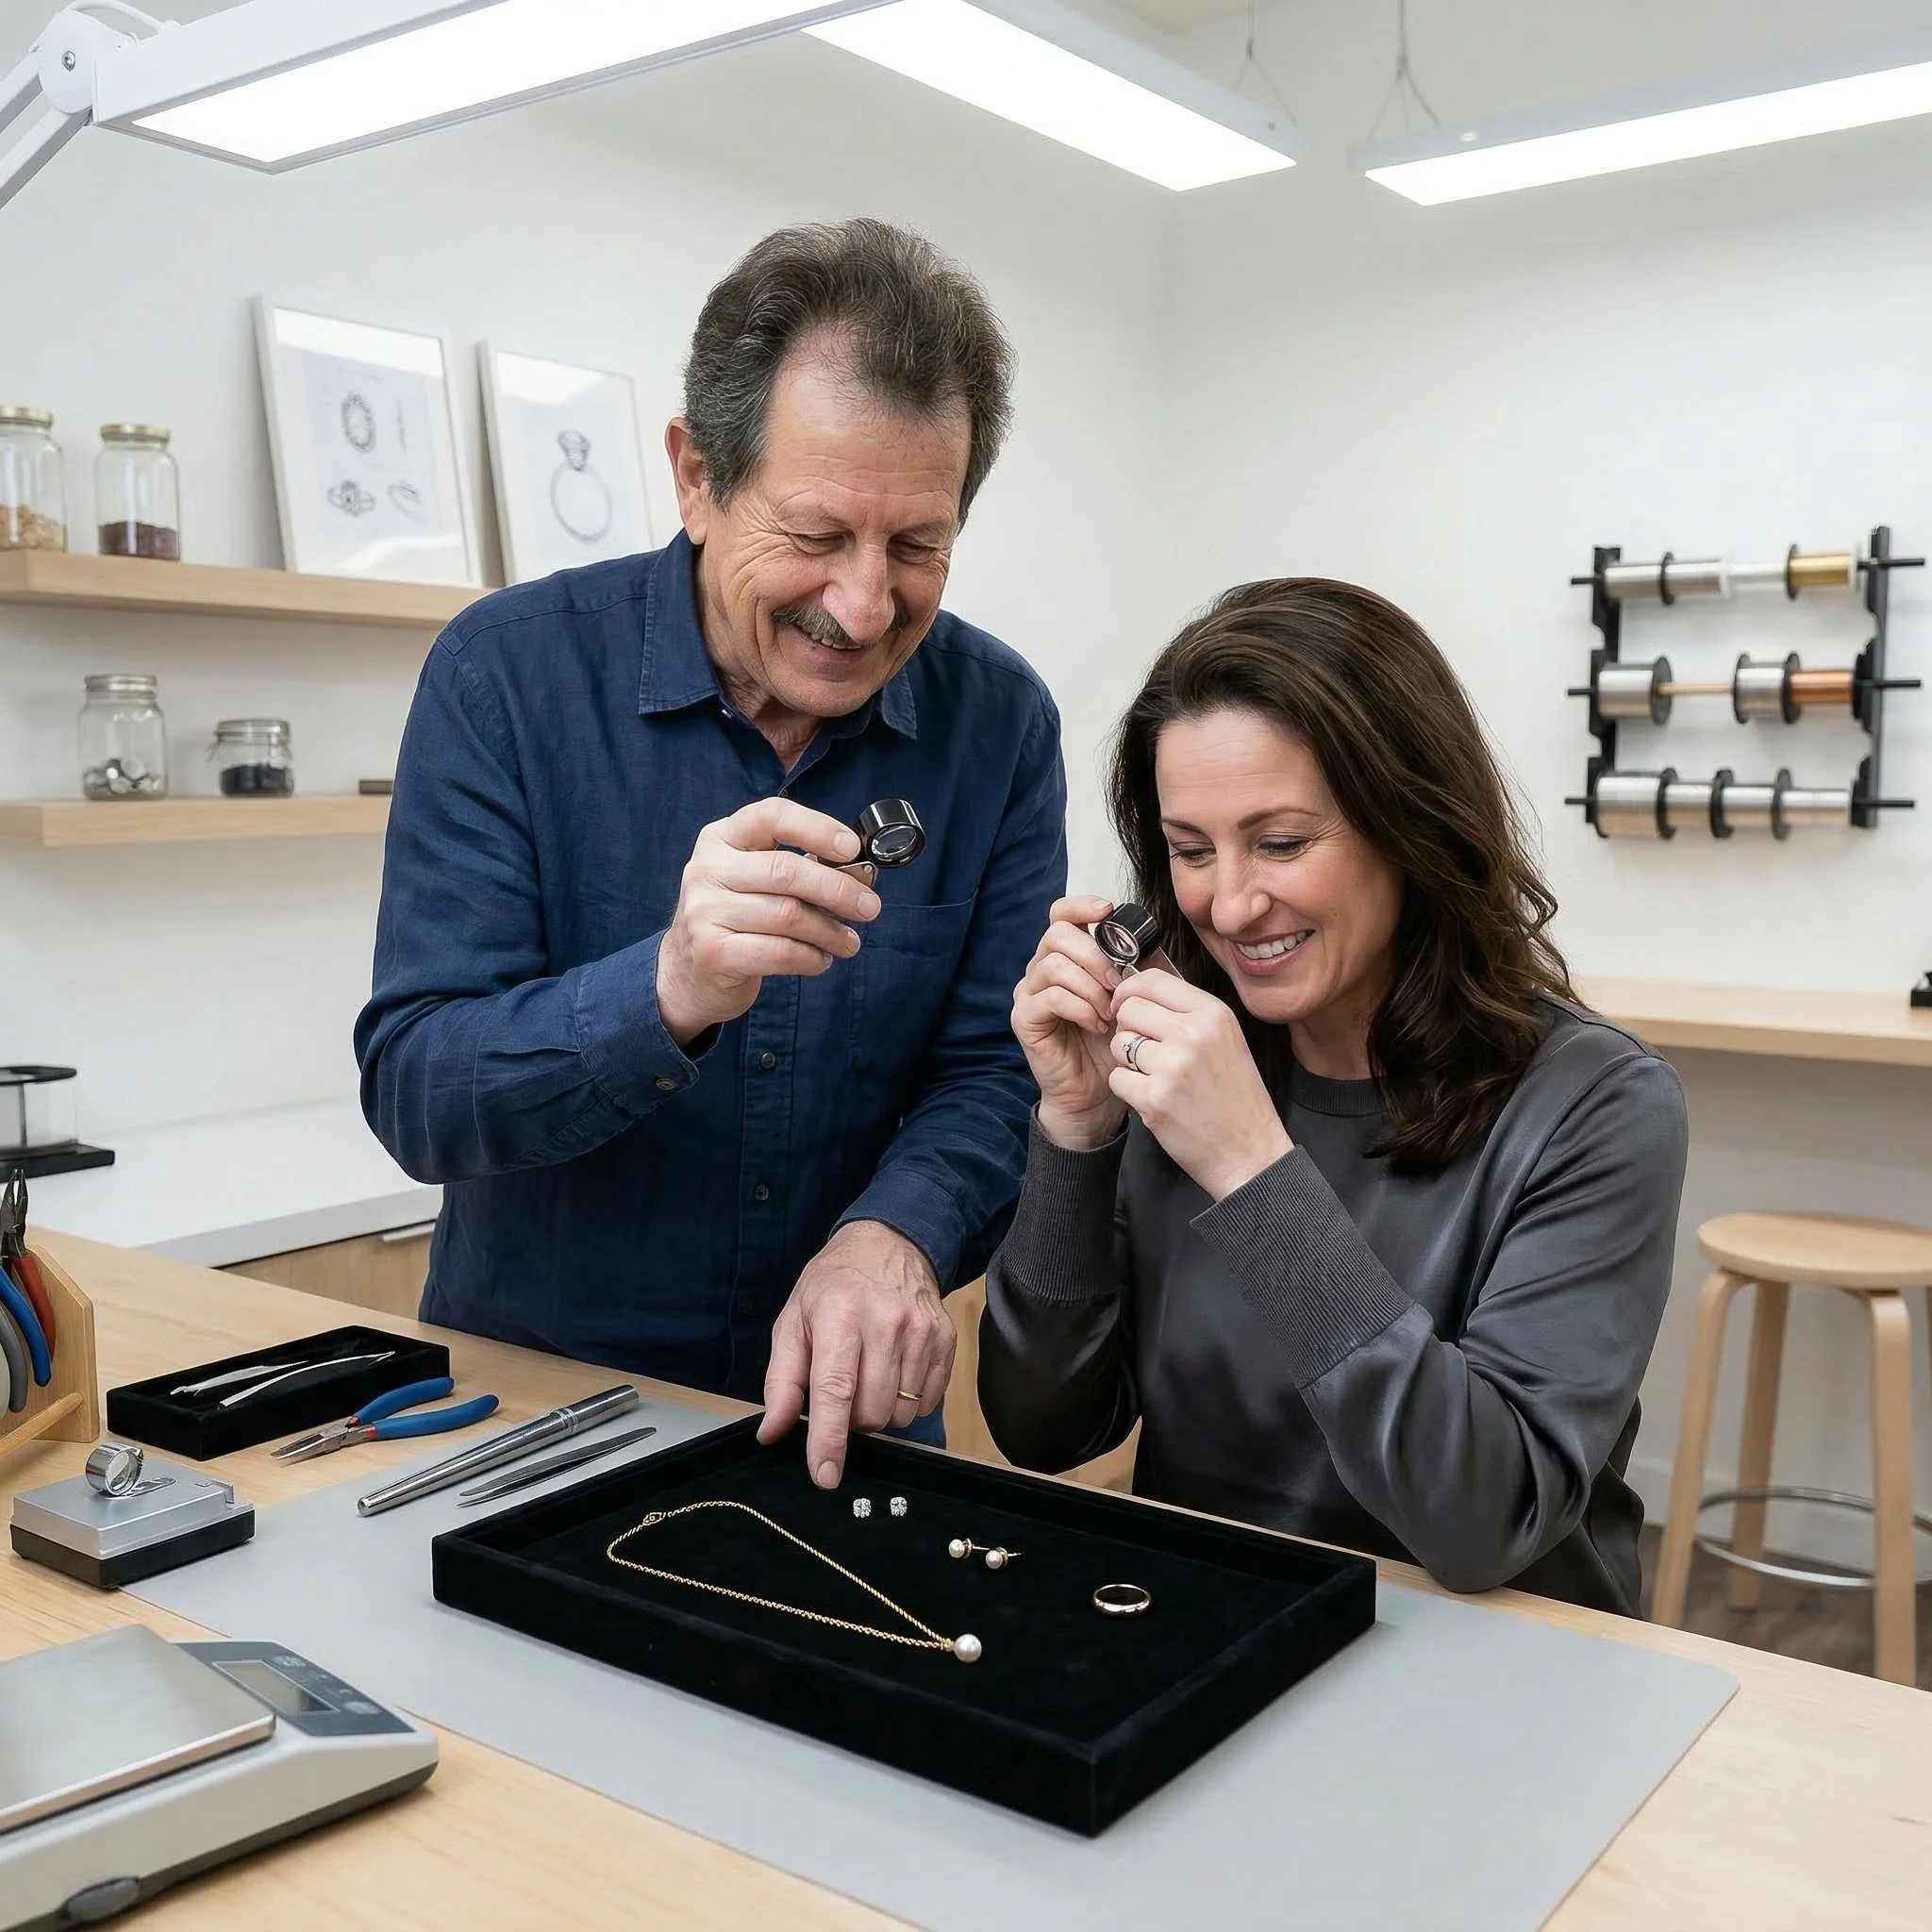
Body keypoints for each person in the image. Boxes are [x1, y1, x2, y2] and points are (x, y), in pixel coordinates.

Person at [357, 220, 1066, 1488]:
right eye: (813, 534)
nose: (862, 605)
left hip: (852, 1432)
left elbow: (997, 1074)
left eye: (917, 547)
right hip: (540, 1423)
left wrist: (896, 1236)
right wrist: (667, 990)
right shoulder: (504, 677)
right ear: (695, 476)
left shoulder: (999, 724)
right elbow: (417, 1090)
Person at [981, 579, 1687, 1611]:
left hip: (1500, 1670)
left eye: (1280, 842)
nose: (1227, 902)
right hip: (1212, 1632)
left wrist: (1251, 1166)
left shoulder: (1597, 1105)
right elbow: (1045, 1432)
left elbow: (1481, 1519)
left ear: (1408, 824)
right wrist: (1077, 1131)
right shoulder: (1179, 1062)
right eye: (1188, 850)